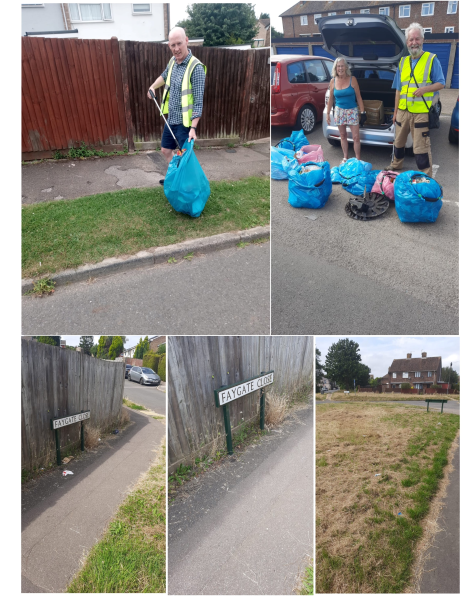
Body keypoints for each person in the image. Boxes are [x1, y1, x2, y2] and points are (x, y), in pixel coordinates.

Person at [147, 27, 206, 184]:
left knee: (184, 157)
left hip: (185, 124)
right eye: (172, 45)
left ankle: (187, 186)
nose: (176, 48)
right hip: (171, 119)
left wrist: (193, 128)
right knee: (166, 150)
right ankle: (176, 179)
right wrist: (153, 86)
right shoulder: (172, 62)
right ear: (169, 46)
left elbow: (199, 101)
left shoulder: (196, 67)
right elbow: (164, 76)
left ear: (186, 40)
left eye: (179, 43)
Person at [386, 22, 445, 176]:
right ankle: (396, 165)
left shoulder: (431, 59)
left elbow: (441, 83)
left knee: (420, 147)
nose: (414, 43)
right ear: (407, 43)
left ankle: (426, 174)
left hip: (420, 112)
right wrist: (395, 111)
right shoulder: (403, 62)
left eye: (417, 39)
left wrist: (425, 89)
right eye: (411, 40)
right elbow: (398, 89)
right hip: (402, 111)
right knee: (398, 142)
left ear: (422, 40)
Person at [326, 58, 367, 165]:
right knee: (343, 135)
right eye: (338, 66)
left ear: (346, 67)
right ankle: (345, 157)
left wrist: (363, 112)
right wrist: (328, 114)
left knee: (356, 137)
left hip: (352, 111)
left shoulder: (352, 79)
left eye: (342, 66)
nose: (340, 68)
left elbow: (359, 97)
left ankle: (358, 159)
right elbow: (331, 99)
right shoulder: (332, 81)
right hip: (339, 111)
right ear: (336, 68)